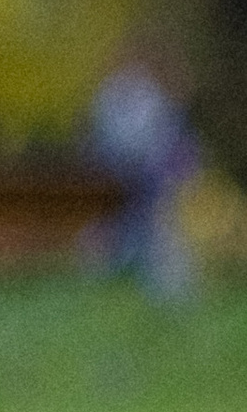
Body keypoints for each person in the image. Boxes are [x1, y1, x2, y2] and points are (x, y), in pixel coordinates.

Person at [86, 59, 201, 296]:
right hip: (131, 189)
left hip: (147, 190)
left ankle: (155, 285)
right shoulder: (126, 99)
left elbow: (180, 157)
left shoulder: (150, 104)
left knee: (157, 236)